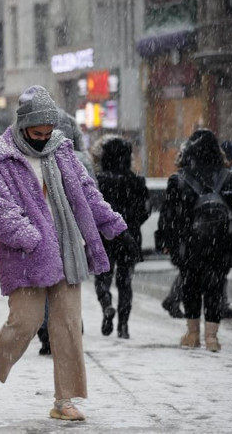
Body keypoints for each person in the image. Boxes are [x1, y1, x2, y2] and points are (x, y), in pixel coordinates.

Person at [0, 86, 137, 421]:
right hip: (26, 255)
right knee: (24, 322)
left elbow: (87, 192)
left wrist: (116, 226)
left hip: (67, 250)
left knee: (69, 324)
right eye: (36, 133)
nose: (43, 138)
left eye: (48, 132)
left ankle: (65, 399)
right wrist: (31, 238)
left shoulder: (62, 151)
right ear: (23, 125)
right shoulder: (2, 158)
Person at [155, 129, 232, 352]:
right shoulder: (229, 178)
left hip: (189, 245)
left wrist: (166, 241)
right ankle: (212, 338)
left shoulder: (179, 179)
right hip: (220, 245)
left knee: (191, 287)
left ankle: (193, 334)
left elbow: (168, 215)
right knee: (215, 289)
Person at [36, 110, 95, 355]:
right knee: (70, 282)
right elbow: (91, 196)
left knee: (48, 284)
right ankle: (72, 329)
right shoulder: (81, 158)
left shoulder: (38, 156)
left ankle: (48, 333)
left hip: (45, 228)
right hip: (73, 232)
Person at [92, 135, 149, 339]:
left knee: (102, 278)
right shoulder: (137, 181)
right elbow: (145, 211)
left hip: (104, 238)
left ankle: (106, 303)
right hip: (129, 237)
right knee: (125, 283)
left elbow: (93, 210)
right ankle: (123, 327)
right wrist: (130, 225)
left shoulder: (100, 181)